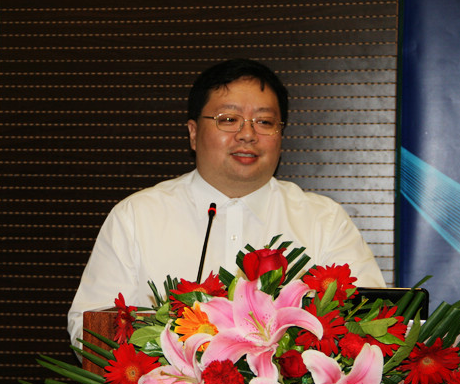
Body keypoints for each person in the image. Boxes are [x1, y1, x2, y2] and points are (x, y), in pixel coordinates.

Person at [67, 58, 386, 346]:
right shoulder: (137, 217)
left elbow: (370, 324)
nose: (247, 134)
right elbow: (89, 328)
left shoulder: (324, 221)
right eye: (229, 119)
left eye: (264, 122)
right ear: (193, 133)